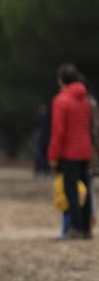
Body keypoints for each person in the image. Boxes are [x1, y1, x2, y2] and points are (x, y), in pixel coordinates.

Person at [48, 63, 94, 239]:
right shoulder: (85, 99)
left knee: (71, 191)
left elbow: (58, 132)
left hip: (69, 152)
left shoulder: (61, 100)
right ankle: (86, 228)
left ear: (61, 80)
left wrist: (53, 156)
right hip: (85, 150)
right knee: (86, 189)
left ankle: (74, 227)